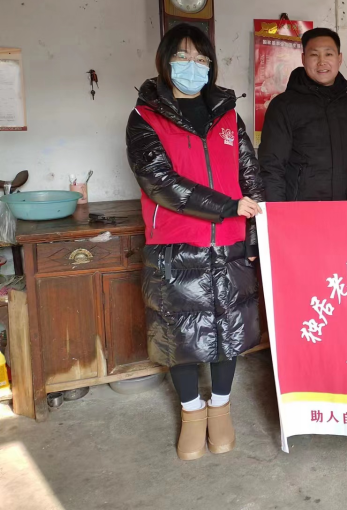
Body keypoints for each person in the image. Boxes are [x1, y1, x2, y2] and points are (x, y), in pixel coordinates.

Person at [126, 24, 264, 461]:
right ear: (165, 61)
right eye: (183, 57)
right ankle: (191, 413)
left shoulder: (227, 115)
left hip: (230, 243)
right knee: (180, 336)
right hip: (176, 246)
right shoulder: (144, 117)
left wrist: (253, 235)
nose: (193, 66)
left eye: (201, 59)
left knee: (229, 331)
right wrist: (226, 206)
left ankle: (220, 409)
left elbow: (250, 175)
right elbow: (159, 181)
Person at [258, 27, 347, 201]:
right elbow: (271, 167)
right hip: (301, 211)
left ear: (339, 58)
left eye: (328, 54)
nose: (321, 62)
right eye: (314, 55)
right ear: (303, 59)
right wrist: (276, 212)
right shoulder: (284, 106)